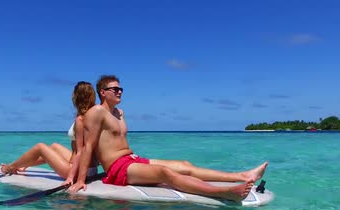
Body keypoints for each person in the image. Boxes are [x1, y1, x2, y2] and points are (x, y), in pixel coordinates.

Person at [68, 75, 268, 202]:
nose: (120, 92)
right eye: (115, 89)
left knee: (184, 164)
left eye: (121, 89)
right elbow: (88, 146)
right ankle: (222, 193)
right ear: (102, 92)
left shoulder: (120, 113)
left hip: (132, 159)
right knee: (165, 173)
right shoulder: (96, 113)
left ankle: (242, 176)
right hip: (117, 169)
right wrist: (80, 180)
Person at [0, 81, 99, 186]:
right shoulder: (93, 117)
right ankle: (23, 165)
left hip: (77, 171)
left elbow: (80, 152)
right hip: (90, 169)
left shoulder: (80, 119)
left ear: (76, 97)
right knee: (54, 146)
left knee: (40, 147)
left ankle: (9, 167)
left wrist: (70, 177)